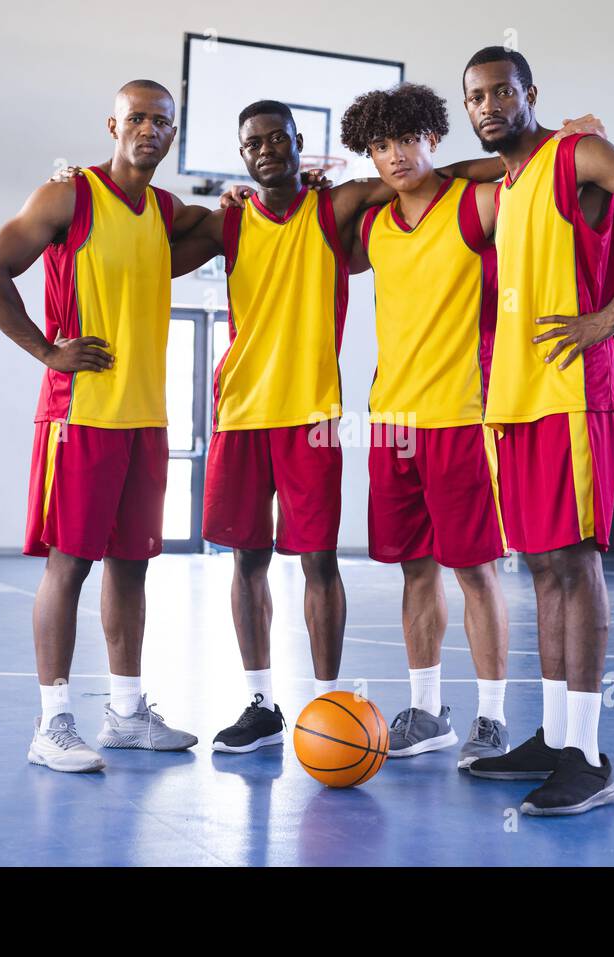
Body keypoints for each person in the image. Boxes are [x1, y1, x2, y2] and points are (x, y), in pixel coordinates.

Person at [174, 100, 512, 753]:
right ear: (240, 156)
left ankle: (339, 703)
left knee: (341, 563)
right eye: (254, 143)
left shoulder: (342, 206)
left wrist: (549, 148)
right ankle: (266, 702)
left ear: (305, 144)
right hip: (268, 413)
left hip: (331, 417)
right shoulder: (246, 220)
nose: (267, 149)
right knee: (257, 560)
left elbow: (469, 175)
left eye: (279, 138)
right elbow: (157, 245)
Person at [459, 47, 614, 815]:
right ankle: (556, 735)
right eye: (476, 97)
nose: (490, 104)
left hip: (571, 392)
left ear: (531, 94)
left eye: (503, 91)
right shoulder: (506, 179)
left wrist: (612, 314)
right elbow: (460, 173)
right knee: (540, 566)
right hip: (514, 399)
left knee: (574, 562)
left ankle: (589, 756)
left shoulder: (579, 155)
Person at [334, 82, 604, 767]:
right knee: (413, 572)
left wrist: (564, 140)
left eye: (407, 139)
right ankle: (427, 711)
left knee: (475, 572)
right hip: (392, 421)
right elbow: (323, 219)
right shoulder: (370, 228)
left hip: (463, 417)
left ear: (433, 136)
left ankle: (490, 718)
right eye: (380, 145)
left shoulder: (476, 204)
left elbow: (523, 174)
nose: (395, 156)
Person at [0, 80, 217, 772]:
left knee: (132, 567)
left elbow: (224, 225)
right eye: (137, 117)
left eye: (161, 121)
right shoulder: (69, 196)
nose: (149, 129)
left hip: (146, 417)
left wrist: (243, 202)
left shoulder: (165, 212)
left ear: (173, 133)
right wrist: (48, 350)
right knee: (68, 565)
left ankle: (127, 713)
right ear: (113, 122)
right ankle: (52, 724)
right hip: (79, 417)